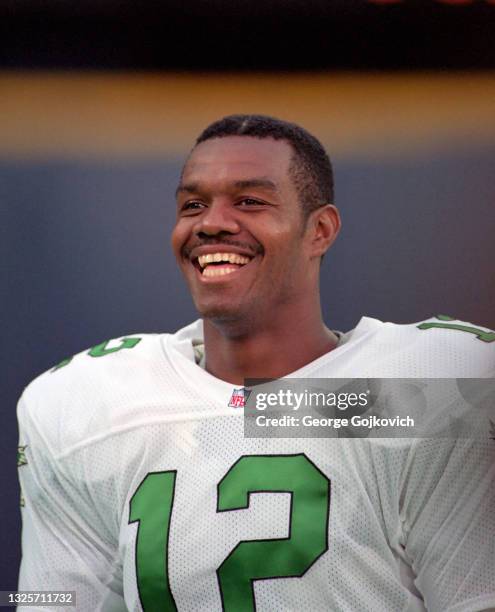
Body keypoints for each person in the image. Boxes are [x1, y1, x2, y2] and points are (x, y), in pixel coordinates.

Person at [17, 115, 495, 611]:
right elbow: (52, 600)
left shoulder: (421, 390)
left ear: (320, 230)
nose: (211, 222)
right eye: (192, 205)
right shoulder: (86, 404)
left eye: (249, 201)